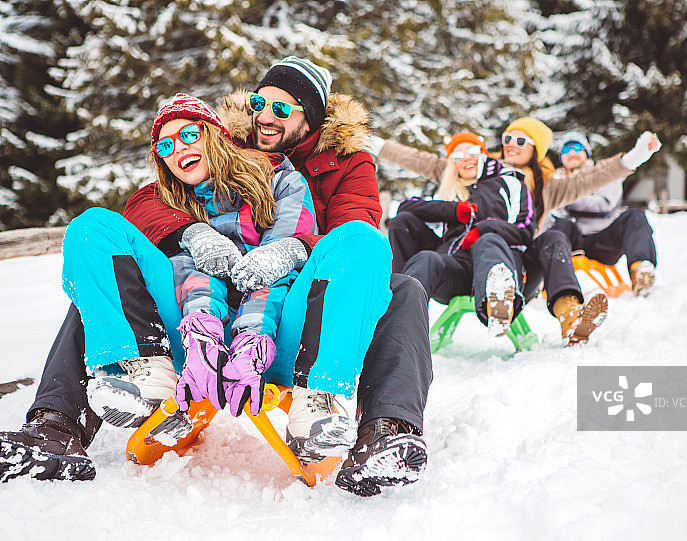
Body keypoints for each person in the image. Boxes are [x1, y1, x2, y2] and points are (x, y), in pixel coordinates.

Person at [1, 57, 433, 498]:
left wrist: (295, 247)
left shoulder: (346, 164)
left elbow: (354, 231)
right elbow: (148, 200)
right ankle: (54, 427)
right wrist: (193, 232)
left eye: (282, 109)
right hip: (199, 307)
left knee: (402, 289)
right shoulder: (219, 144)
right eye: (260, 103)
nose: (265, 116)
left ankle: (385, 430)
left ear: (313, 117)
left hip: (300, 304)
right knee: (106, 285)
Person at [68, 93, 318, 442]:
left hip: (269, 338)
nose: (179, 149)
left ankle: (319, 407)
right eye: (165, 146)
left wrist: (251, 338)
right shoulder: (169, 199)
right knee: (90, 227)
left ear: (213, 134)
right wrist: (192, 235)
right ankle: (148, 368)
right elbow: (144, 220)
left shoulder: (279, 181)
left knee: (293, 269)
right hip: (192, 329)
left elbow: (277, 275)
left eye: (188, 134)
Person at [375, 117, 660, 344]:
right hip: (467, 258)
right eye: (507, 138)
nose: (511, 143)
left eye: (521, 140)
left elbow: (594, 177)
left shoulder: (549, 184)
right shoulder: (475, 166)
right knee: (474, 242)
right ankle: (395, 314)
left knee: (553, 235)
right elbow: (424, 161)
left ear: (535, 148)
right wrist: (376, 146)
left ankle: (569, 312)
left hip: (520, 257)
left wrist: (632, 158)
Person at [390, 132, 535, 337]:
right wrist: (452, 210)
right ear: (452, 164)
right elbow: (406, 207)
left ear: (484, 154)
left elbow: (525, 231)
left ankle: (497, 307)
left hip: (496, 265)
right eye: (457, 156)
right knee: (416, 243)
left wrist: (482, 229)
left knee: (488, 240)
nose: (466, 158)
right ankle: (397, 318)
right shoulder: (446, 191)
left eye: (472, 151)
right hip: (456, 270)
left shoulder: (510, 183)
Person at [549, 131, 657, 296]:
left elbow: (604, 205)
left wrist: (567, 199)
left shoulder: (603, 173)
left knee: (635, 216)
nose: (571, 153)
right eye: (566, 150)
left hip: (603, 240)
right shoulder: (554, 180)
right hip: (570, 241)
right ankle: (545, 280)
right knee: (557, 226)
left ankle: (640, 272)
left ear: (586, 152)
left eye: (576, 147)